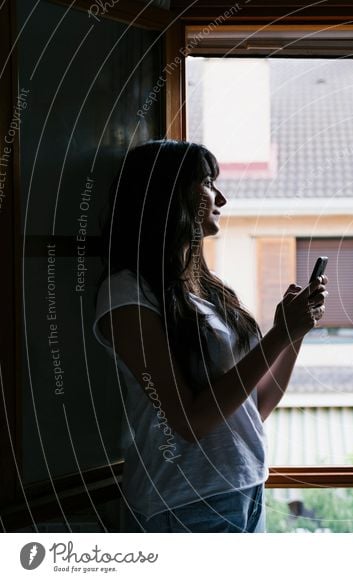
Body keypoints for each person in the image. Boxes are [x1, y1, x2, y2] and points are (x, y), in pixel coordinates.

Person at [93, 140, 327, 532]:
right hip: (183, 505)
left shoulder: (208, 292)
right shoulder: (126, 294)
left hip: (246, 490)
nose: (221, 197)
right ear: (168, 195)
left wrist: (293, 334)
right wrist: (278, 335)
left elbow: (255, 407)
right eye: (206, 182)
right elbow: (190, 421)